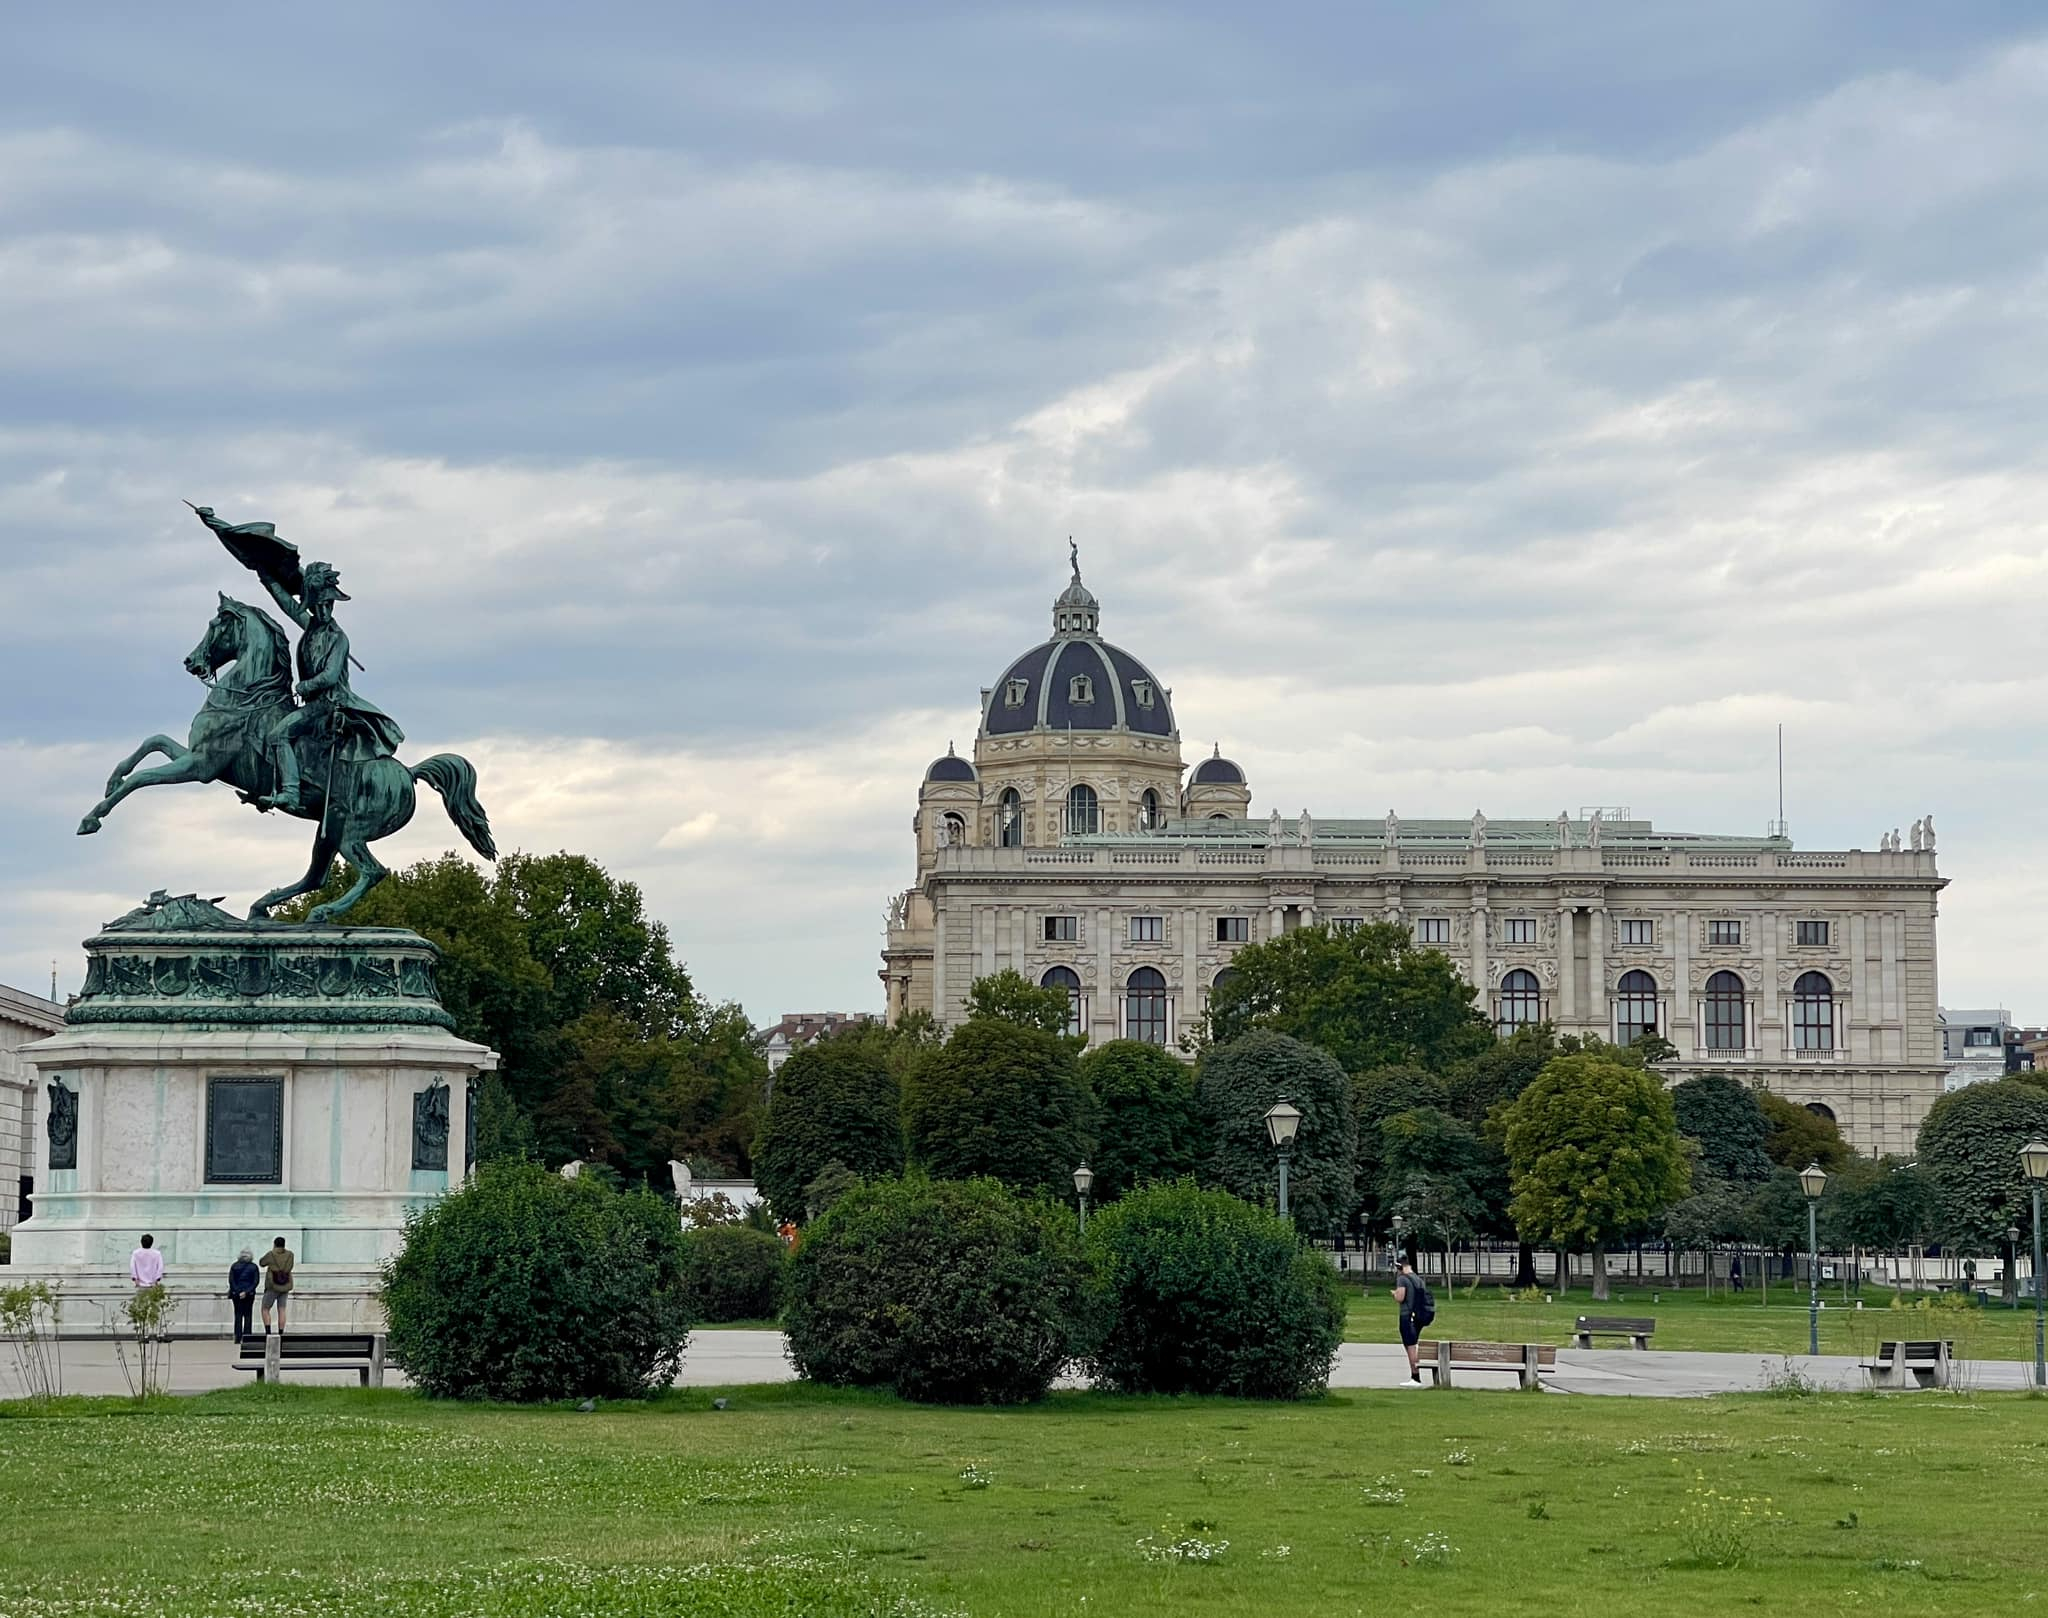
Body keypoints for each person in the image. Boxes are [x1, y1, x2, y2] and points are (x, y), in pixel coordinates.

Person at [1393, 1259, 1430, 1387]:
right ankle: (1415, 1376)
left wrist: (1395, 1294)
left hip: (1407, 1315)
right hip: (1418, 1316)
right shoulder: (1418, 1279)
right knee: (1413, 1345)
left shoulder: (1402, 1279)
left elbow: (1400, 1297)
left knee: (1410, 1346)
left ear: (1400, 1267)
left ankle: (1415, 1377)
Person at [259, 1236, 296, 1332]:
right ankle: (281, 1332)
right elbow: (290, 1267)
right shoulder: (290, 1255)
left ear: (274, 1244)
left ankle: (268, 1332)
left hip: (273, 1286)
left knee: (265, 1308)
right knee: (282, 1309)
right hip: (285, 1285)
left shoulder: (271, 1254)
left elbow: (261, 1263)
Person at [228, 1248, 260, 1340]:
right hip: (249, 1294)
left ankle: (237, 1337)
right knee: (248, 1315)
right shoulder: (254, 1267)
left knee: (238, 1315)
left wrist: (238, 1291)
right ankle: (247, 1336)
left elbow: (231, 1281)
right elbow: (255, 1282)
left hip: (236, 1294)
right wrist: (246, 1292)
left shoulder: (234, 1266)